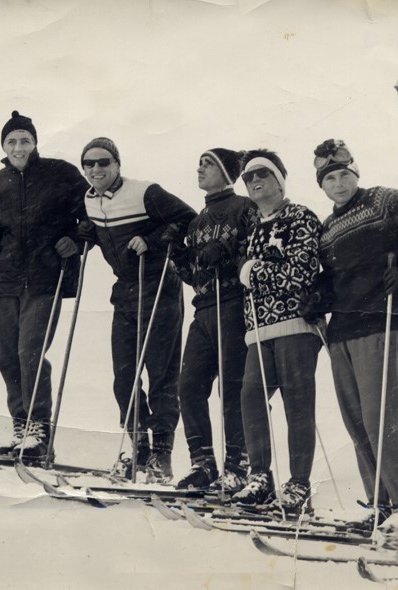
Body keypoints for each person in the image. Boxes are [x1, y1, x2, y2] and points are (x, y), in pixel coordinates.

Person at [303, 138, 398, 547]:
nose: (338, 182)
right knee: (357, 422)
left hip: (380, 320)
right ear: (322, 185)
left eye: (343, 174)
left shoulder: (383, 201)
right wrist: (316, 297)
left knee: (380, 418)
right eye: (329, 178)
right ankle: (381, 508)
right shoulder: (328, 228)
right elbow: (332, 279)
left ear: (356, 173)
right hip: (342, 329)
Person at [78, 137, 196, 483]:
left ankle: (162, 454)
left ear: (117, 164)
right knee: (124, 378)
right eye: (89, 164)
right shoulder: (88, 200)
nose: (96, 169)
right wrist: (86, 233)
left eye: (103, 162)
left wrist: (154, 239)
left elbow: (189, 218)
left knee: (161, 373)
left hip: (159, 284)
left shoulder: (145, 192)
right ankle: (139, 448)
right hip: (126, 291)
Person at [0, 111, 89, 459]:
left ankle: (39, 431)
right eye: (12, 142)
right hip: (6, 279)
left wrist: (74, 240)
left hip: (46, 275)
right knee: (9, 358)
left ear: (35, 142)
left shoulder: (61, 173)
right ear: (3, 147)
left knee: (29, 352)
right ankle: (21, 429)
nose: (19, 147)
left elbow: (91, 214)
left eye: (25, 140)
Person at [231, 149, 323, 512]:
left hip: (295, 324)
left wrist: (252, 272)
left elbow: (299, 273)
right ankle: (260, 477)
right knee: (250, 397)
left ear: (280, 180)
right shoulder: (253, 228)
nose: (255, 182)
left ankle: (299, 483)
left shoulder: (301, 217)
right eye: (249, 177)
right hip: (259, 329)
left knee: (298, 404)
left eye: (263, 174)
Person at [173, 148, 256, 492]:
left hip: (234, 303)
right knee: (189, 385)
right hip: (204, 307)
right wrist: (179, 258)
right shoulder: (197, 221)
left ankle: (238, 464)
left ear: (226, 171)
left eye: (208, 164)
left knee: (233, 386)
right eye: (200, 163)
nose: (200, 168)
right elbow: (194, 275)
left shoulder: (243, 208)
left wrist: (228, 254)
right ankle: (203, 463)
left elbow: (255, 249)